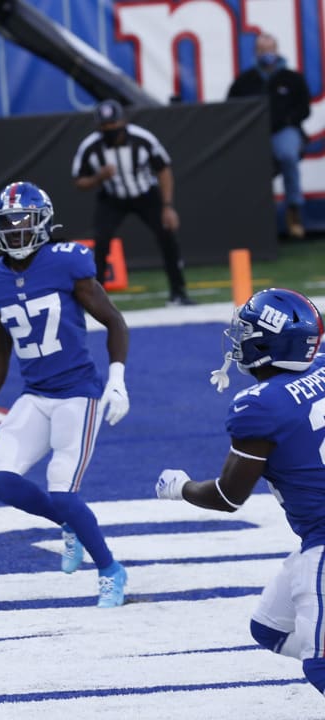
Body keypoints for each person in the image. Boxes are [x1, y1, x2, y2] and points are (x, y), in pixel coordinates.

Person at [0, 180, 131, 608]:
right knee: (0, 479)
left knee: (63, 489)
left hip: (79, 393)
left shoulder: (66, 263)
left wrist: (117, 380)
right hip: (36, 394)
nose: (16, 233)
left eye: (25, 224)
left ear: (43, 224)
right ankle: (69, 523)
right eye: (9, 225)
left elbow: (115, 322)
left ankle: (110, 569)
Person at [156, 288, 325, 696]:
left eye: (248, 331)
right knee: (269, 627)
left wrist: (180, 488)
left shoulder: (261, 405)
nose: (240, 339)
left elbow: (229, 496)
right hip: (314, 539)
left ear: (270, 342)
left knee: (320, 665)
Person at [71, 98, 194, 306]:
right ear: (99, 127)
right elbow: (79, 181)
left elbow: (163, 169)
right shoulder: (90, 146)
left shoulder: (142, 139)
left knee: (167, 237)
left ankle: (178, 292)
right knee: (101, 242)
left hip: (146, 195)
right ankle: (96, 299)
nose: (110, 131)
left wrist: (167, 206)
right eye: (105, 127)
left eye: (114, 126)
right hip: (112, 197)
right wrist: (98, 177)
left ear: (123, 122)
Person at [227, 33, 311, 240]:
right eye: (262, 50)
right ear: (256, 52)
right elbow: (230, 108)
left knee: (288, 155)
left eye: (270, 49)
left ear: (277, 50)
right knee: (250, 167)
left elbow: (304, 108)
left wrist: (288, 120)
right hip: (254, 135)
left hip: (284, 130)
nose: (267, 54)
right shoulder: (245, 81)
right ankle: (259, 221)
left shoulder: (292, 78)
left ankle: (294, 210)